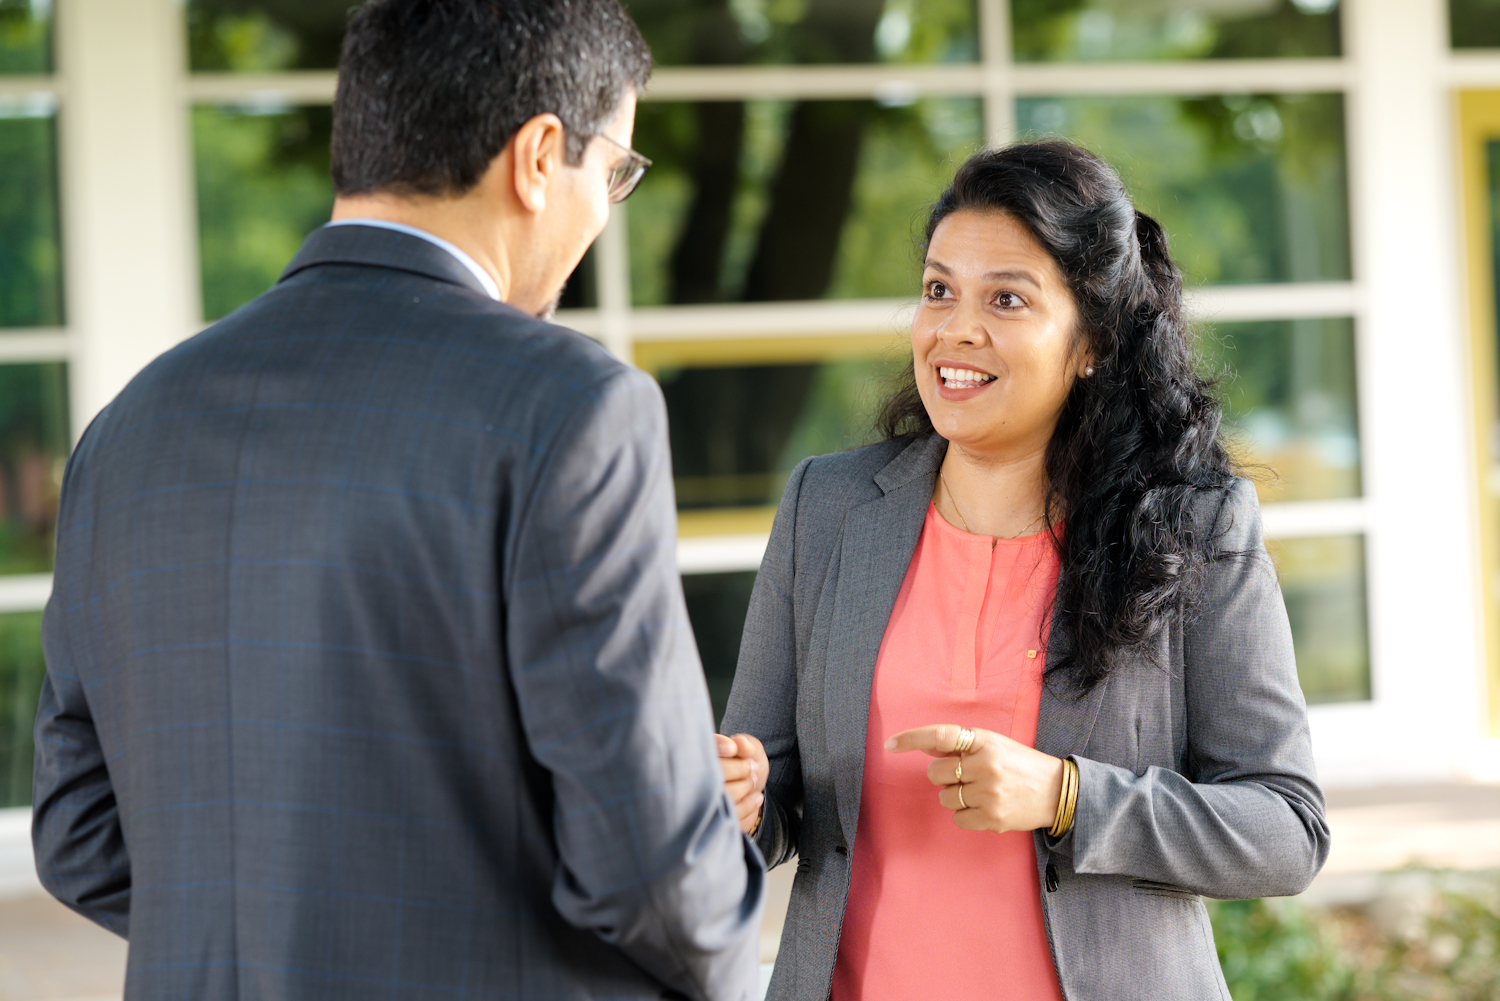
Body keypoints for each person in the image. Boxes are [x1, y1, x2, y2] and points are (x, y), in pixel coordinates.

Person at [31, 2, 764, 999]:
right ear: (540, 155)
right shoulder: (573, 406)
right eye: (615, 173)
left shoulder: (123, 432)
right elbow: (656, 874)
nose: (605, 211)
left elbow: (80, 835)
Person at [715, 141, 1330, 1000]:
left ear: (1092, 343)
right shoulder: (827, 506)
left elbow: (1287, 828)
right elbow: (771, 791)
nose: (956, 329)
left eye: (1006, 298)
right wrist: (738, 796)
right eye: (939, 290)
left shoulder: (1194, 525)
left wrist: (1068, 795)